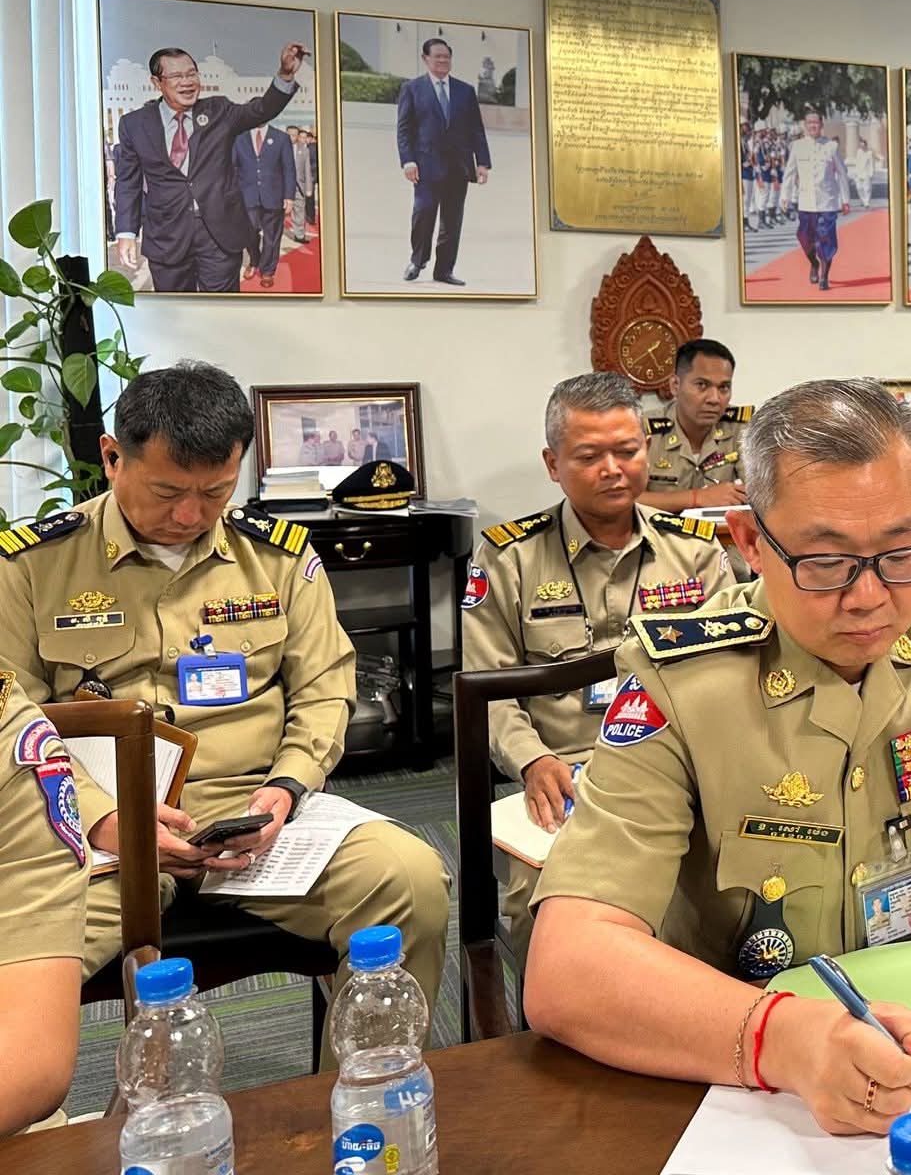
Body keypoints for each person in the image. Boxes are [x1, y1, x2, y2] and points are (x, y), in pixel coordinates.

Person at [524, 379, 911, 1135]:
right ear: (751, 542)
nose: (869, 597)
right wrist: (779, 1039)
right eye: (825, 561)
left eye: (901, 552)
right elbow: (567, 967)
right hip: (726, 1063)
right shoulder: (680, 685)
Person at [0, 362, 449, 1017]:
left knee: (409, 882)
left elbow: (325, 687)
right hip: (87, 822)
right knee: (16, 961)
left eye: (215, 492)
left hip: (250, 814)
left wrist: (286, 789)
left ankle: (368, 1079)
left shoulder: (278, 557)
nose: (189, 515)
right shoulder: (32, 565)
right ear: (112, 457)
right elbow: (12, 720)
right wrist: (103, 816)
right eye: (166, 491)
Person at [462, 371, 735, 956]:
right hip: (561, 775)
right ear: (552, 464)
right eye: (589, 456)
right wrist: (532, 761)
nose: (613, 469)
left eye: (627, 451)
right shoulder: (509, 557)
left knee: (731, 892)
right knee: (551, 911)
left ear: (647, 450)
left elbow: (728, 677)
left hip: (678, 769)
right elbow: (488, 695)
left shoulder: (694, 550)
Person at [111, 42, 309, 293]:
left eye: (191, 74)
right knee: (175, 312)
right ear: (157, 82)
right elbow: (128, 182)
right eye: (176, 76)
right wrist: (126, 232)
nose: (187, 82)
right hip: (167, 236)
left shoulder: (219, 110)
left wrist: (285, 75)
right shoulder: (134, 124)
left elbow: (261, 110)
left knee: (221, 310)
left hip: (219, 235)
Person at [0, 675, 90, 1136]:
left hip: (249, 794)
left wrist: (290, 780)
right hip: (108, 818)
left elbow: (31, 1061)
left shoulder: (7, 731)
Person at [396, 36, 492, 286]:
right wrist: (408, 161)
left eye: (446, 57)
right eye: (437, 56)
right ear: (425, 58)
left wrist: (482, 162)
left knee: (452, 221)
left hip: (459, 166)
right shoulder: (412, 89)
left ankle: (444, 270)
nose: (442, 61)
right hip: (425, 167)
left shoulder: (465, 91)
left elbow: (476, 129)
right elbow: (404, 130)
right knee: (423, 213)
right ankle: (418, 260)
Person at [642, 339, 749, 514]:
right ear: (675, 385)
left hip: (721, 530)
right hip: (660, 530)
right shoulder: (643, 429)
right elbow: (627, 500)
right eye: (702, 385)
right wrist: (696, 498)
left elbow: (765, 495)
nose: (714, 399)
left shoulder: (740, 428)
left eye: (723, 387)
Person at [781, 110, 852, 291]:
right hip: (806, 202)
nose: (813, 126)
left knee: (826, 240)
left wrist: (845, 200)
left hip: (827, 202)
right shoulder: (797, 146)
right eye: (809, 122)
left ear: (821, 125)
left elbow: (842, 174)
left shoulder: (831, 147)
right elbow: (789, 173)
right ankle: (814, 262)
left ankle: (824, 276)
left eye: (816, 122)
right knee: (804, 237)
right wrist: (785, 196)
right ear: (805, 125)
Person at [234, 121, 293, 288]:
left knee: (272, 237)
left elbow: (289, 168)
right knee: (248, 233)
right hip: (247, 196)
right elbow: (233, 167)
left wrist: (289, 196)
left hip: (274, 196)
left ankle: (268, 270)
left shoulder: (281, 138)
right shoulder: (239, 138)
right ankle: (255, 260)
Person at [286, 125, 317, 243]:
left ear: (298, 136)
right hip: (283, 186)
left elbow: (307, 170)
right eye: (289, 135)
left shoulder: (304, 150)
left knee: (299, 211)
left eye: (294, 135)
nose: (291, 137)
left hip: (299, 186)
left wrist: (309, 188)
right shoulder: (278, 148)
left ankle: (299, 235)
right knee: (279, 212)